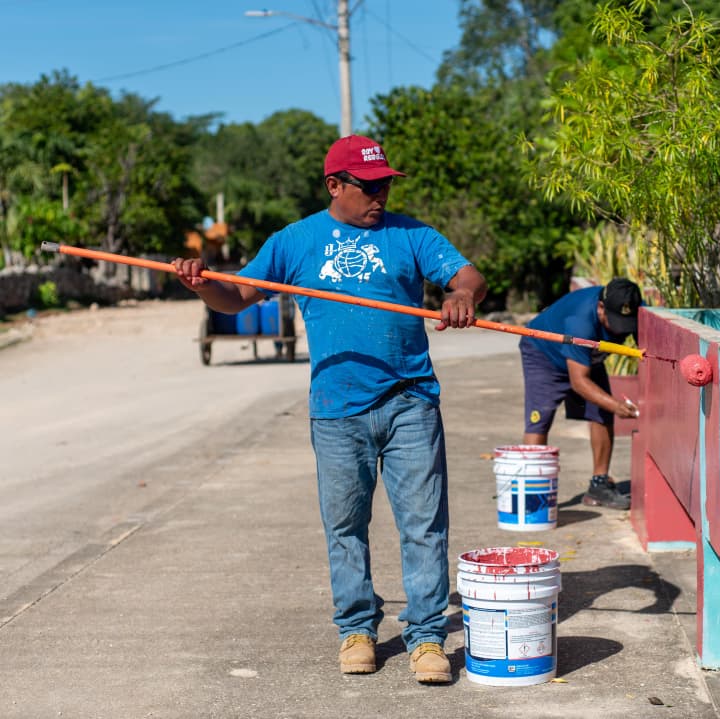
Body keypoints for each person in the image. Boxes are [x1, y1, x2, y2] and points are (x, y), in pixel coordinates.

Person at [173, 134, 487, 685]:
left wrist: (462, 296)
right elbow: (236, 297)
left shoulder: (412, 234)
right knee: (345, 525)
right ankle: (357, 630)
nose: (380, 195)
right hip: (336, 409)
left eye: (386, 184)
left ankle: (428, 636)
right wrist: (202, 287)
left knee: (423, 524)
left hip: (411, 400)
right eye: (369, 186)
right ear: (334, 185)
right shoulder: (295, 242)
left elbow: (468, 276)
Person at [519, 278, 642, 510]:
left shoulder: (631, 303)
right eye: (614, 321)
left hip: (587, 359)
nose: (619, 329)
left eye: (626, 323)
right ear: (601, 307)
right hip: (544, 353)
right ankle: (532, 496)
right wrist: (616, 405)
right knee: (539, 419)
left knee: (602, 413)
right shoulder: (581, 322)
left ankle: (599, 486)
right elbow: (579, 382)